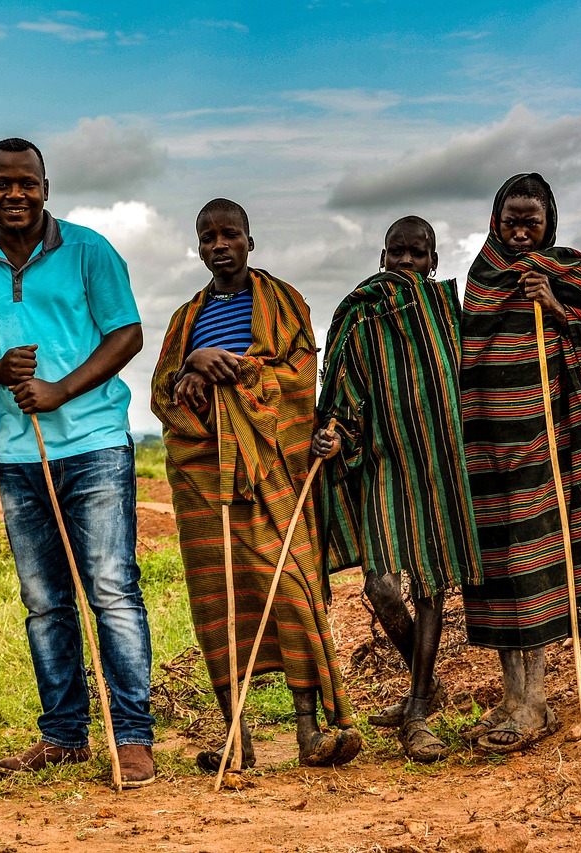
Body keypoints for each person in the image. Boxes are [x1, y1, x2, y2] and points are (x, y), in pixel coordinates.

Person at [0, 137, 156, 787]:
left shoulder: (90, 251)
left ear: (46, 186)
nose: (14, 193)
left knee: (112, 590)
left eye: (27, 182)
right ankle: (65, 735)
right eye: (1, 183)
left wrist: (60, 389)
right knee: (44, 602)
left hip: (95, 443)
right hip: (19, 456)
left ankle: (132, 737)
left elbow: (128, 331)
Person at [152, 198, 360, 772]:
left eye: (230, 235)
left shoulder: (287, 303)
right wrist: (193, 362)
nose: (219, 245)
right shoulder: (184, 318)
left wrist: (232, 368)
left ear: (250, 240)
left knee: (290, 587)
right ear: (198, 247)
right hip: (204, 478)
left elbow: (299, 381)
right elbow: (163, 390)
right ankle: (236, 739)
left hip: (273, 474)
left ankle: (307, 732)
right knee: (218, 598)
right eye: (208, 237)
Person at [459, 173, 581, 752]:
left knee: (535, 569)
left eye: (530, 222)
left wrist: (558, 307)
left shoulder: (569, 270)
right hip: (486, 448)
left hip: (547, 446)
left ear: (549, 224)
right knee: (497, 576)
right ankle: (512, 699)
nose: (519, 232)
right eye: (510, 220)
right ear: (495, 220)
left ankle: (534, 704)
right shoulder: (481, 277)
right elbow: (466, 353)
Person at [312, 216, 483, 762]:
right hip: (383, 465)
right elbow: (342, 387)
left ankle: (416, 709)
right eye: (397, 253)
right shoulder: (361, 315)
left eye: (418, 254)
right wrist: (336, 435)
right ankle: (426, 684)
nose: (407, 263)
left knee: (431, 581)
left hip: (438, 466)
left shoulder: (450, 316)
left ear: (434, 259)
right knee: (383, 588)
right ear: (382, 256)